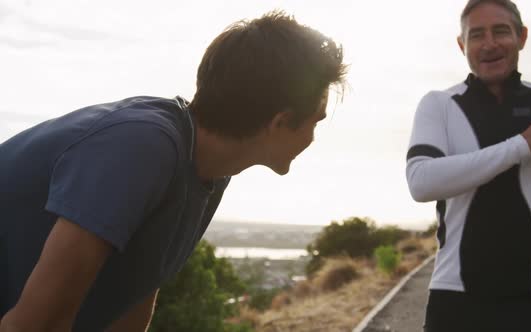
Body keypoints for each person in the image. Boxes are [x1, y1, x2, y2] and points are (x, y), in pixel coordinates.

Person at [0, 11, 346, 332]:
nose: (313, 137)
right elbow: (37, 324)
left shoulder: (207, 168)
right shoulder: (141, 146)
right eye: (315, 121)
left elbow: (135, 295)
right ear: (280, 122)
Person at [405, 0, 531, 331]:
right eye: (477, 35)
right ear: (462, 45)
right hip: (455, 303)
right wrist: (520, 145)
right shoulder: (439, 105)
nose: (489, 44)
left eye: (501, 31)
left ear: (522, 37)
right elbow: (421, 181)